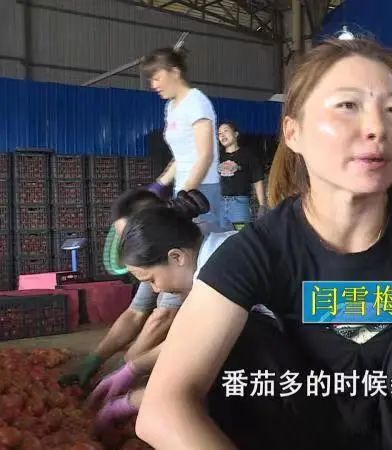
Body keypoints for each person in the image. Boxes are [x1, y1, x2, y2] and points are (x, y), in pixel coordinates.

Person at [136, 37, 392, 450]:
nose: (377, 128)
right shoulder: (257, 249)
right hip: (299, 431)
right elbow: (162, 408)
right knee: (237, 344)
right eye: (348, 105)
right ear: (294, 132)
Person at [88, 191, 241, 433]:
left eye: (152, 280)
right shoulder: (213, 251)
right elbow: (192, 335)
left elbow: (201, 351)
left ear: (176, 257)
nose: (156, 290)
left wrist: (133, 400)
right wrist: (133, 368)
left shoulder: (219, 273)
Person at [59, 187, 183, 388]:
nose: (127, 244)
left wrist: (123, 370)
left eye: (130, 236)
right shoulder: (153, 253)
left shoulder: (178, 252)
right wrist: (95, 359)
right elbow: (135, 313)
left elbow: (163, 318)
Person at [141, 47, 227, 229]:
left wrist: (185, 194)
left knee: (203, 243)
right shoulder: (171, 107)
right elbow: (181, 157)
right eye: (151, 80)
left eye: (157, 78)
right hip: (183, 188)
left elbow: (205, 156)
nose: (153, 85)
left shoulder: (196, 101)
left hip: (201, 190)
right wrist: (159, 184)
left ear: (175, 72)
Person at [217, 121, 268, 228]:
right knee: (221, 237)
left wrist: (262, 205)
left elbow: (257, 180)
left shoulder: (248, 155)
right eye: (219, 133)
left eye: (226, 131)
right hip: (219, 204)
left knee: (241, 235)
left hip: (239, 204)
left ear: (236, 134)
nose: (222, 135)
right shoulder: (217, 157)